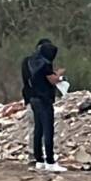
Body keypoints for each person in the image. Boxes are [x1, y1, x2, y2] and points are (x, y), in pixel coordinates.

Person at [28, 42, 66, 173]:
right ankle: (50, 161)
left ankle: (39, 160)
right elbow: (51, 80)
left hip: (33, 98)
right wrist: (60, 75)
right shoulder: (45, 64)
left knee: (38, 129)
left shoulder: (33, 61)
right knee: (48, 129)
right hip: (44, 99)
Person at [21, 39, 53, 162]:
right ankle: (44, 158)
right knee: (43, 129)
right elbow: (47, 80)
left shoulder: (27, 62)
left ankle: (35, 156)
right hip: (41, 99)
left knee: (35, 129)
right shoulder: (43, 63)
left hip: (30, 98)